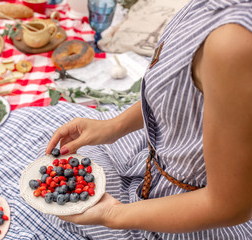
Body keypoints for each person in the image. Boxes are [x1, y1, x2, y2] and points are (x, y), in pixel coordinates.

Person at [45, 0, 252, 239]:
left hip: (190, 212)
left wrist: (114, 215)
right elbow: (181, 97)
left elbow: (229, 206)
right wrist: (114, 126)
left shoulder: (234, 43)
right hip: (155, 164)